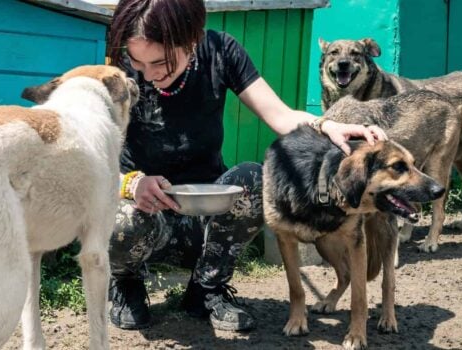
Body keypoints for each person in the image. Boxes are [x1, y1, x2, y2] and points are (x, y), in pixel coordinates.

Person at [106, 0, 388, 332]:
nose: (148, 75)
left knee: (254, 179)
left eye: (161, 63)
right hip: (145, 217)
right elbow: (96, 160)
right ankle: (126, 283)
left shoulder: (219, 51)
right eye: (138, 62)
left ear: (192, 40)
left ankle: (207, 287)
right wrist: (132, 184)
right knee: (120, 217)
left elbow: (281, 116)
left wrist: (327, 126)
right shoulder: (119, 70)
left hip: (203, 216)